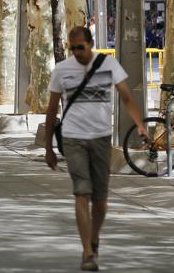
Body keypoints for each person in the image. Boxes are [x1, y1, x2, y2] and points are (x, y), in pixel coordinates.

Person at [44, 26, 146, 271]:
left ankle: (94, 238)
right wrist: (48, 148)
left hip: (101, 137)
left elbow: (127, 98)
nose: (77, 52)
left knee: (100, 200)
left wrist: (140, 125)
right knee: (82, 192)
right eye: (73, 48)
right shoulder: (62, 70)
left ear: (91, 44)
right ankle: (88, 253)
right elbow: (51, 110)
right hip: (72, 137)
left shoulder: (109, 64)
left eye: (81, 47)